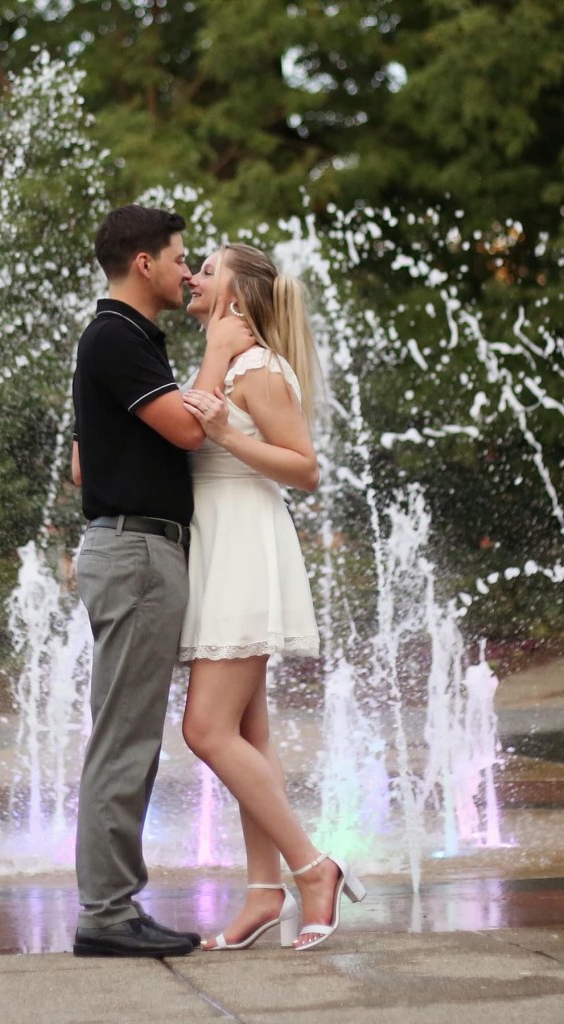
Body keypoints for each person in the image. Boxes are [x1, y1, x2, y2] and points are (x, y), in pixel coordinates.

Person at [71, 205, 252, 959]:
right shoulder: (115, 333)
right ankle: (107, 913)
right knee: (125, 738)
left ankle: (112, 905)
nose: (188, 270)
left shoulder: (123, 339)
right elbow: (184, 428)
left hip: (136, 553)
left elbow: (83, 464)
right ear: (142, 263)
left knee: (127, 734)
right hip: (138, 554)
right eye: (180, 257)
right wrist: (216, 353)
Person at [179, 243, 366, 951]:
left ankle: (312, 868)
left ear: (237, 295)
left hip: (242, 552)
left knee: (205, 730)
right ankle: (262, 892)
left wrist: (226, 430)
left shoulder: (255, 369)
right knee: (246, 733)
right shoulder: (233, 362)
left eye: (207, 270)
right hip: (219, 547)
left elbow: (304, 469)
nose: (193, 276)